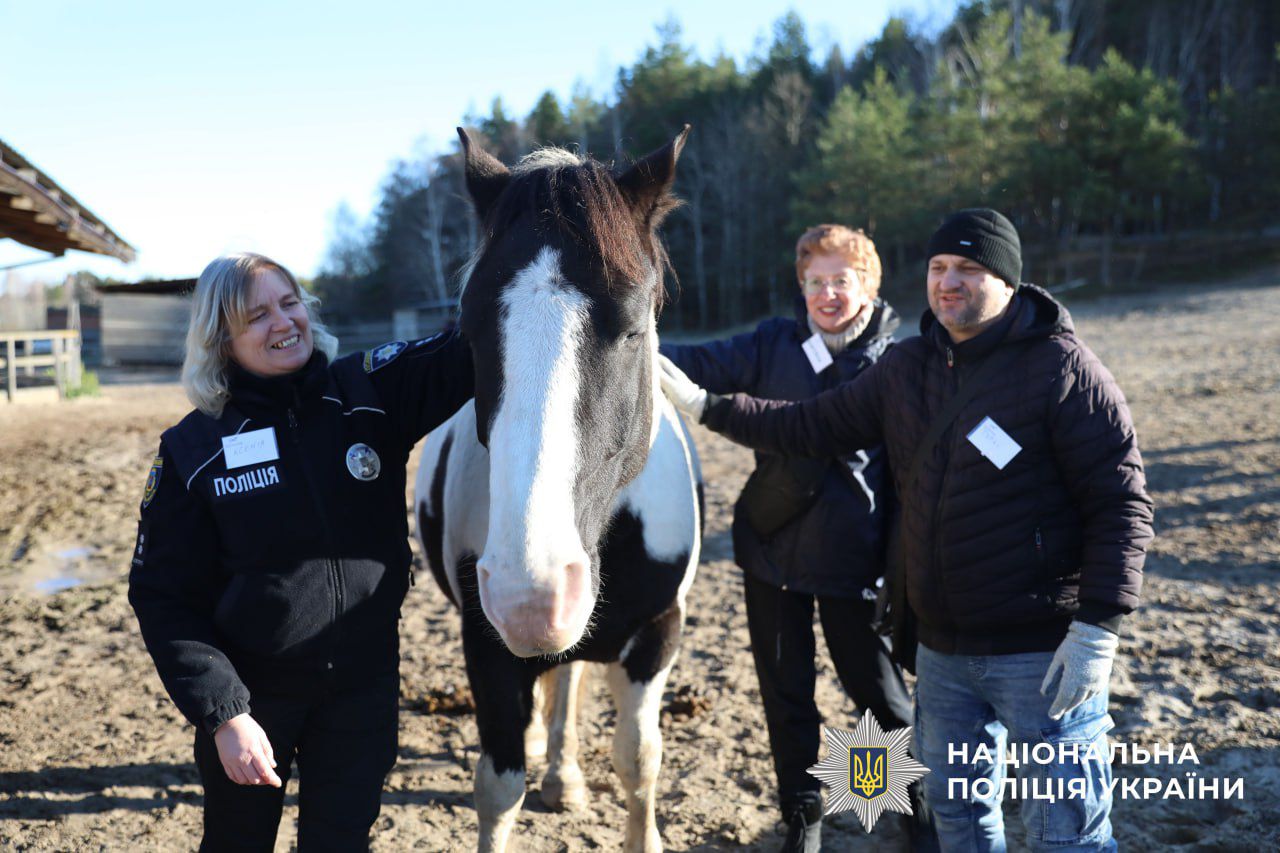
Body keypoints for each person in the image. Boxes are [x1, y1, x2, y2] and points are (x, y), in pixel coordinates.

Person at [660, 209, 1154, 852]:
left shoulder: (1060, 370)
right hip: (900, 626)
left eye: (969, 269)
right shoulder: (896, 365)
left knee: (1058, 826)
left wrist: (1098, 627)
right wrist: (702, 403)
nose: (950, 282)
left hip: (997, 633)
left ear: (1007, 280)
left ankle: (896, 806)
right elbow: (806, 426)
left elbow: (1121, 501)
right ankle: (809, 817)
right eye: (940, 268)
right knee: (953, 817)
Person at [128, 253, 473, 851]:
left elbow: (469, 348)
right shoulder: (194, 448)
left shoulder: (368, 392)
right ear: (221, 338)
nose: (282, 322)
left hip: (363, 686)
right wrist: (225, 715)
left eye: (290, 303)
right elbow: (162, 597)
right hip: (254, 700)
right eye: (256, 315)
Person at [663, 225, 920, 852]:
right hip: (772, 552)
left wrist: (898, 568)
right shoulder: (775, 342)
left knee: (876, 698)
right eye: (814, 282)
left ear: (868, 284)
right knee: (787, 696)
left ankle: (911, 809)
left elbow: (909, 481)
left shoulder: (897, 362)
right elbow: (695, 358)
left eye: (841, 280)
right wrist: (622, 337)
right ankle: (803, 816)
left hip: (854, 562)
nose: (827, 293)